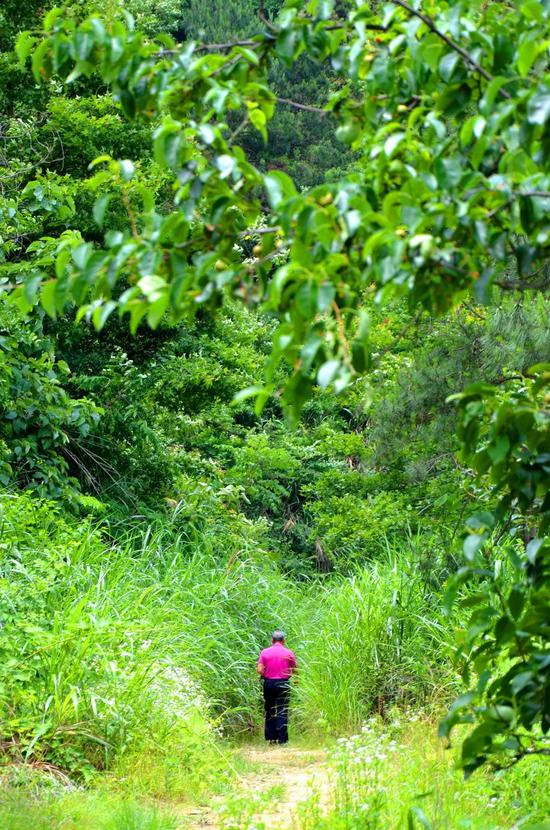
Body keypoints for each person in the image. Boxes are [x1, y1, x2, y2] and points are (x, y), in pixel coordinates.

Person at [257, 629, 297, 745]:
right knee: (282, 710)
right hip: (283, 683)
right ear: (283, 641)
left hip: (269, 683)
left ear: (272, 640)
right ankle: (282, 740)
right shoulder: (289, 653)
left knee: (270, 709)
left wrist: (267, 673)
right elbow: (295, 671)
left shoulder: (265, 652)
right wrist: (296, 680)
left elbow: (259, 670)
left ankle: (271, 739)